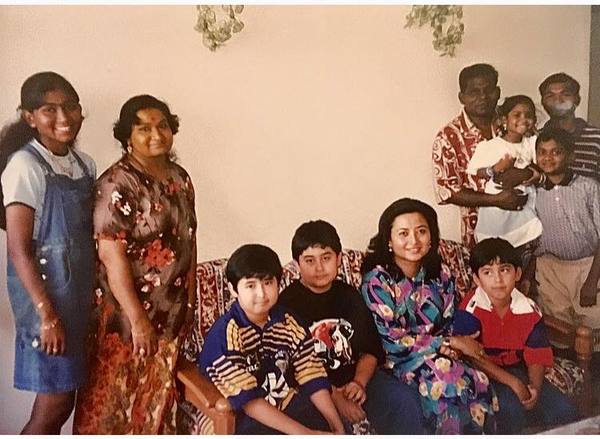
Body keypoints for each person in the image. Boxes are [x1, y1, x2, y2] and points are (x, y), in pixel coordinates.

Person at [73, 95, 197, 434]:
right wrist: (138, 321)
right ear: (127, 136)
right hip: (124, 320)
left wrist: (190, 300)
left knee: (154, 405)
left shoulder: (180, 178)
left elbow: (188, 239)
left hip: (169, 314)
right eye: (143, 128)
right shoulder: (117, 184)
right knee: (112, 406)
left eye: (162, 126)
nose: (155, 134)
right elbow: (111, 257)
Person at [0, 71, 96, 433]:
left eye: (70, 106)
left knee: (65, 400)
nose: (63, 117)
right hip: (46, 301)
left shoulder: (84, 164)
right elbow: (19, 251)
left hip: (79, 299)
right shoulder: (24, 166)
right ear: (29, 117)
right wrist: (47, 315)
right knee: (53, 406)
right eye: (49, 109)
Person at [360, 198, 498, 434]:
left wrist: (451, 347)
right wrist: (447, 344)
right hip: (395, 361)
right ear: (389, 241)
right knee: (443, 383)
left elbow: (448, 322)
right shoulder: (377, 281)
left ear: (431, 236)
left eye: (421, 231)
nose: (413, 241)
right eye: (403, 233)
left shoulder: (440, 274)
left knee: (479, 381)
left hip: (438, 355)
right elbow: (390, 340)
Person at [278, 219, 425, 434]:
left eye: (326, 258)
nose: (319, 268)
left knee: (404, 400)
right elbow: (290, 369)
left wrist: (359, 382)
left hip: (356, 379)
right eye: (309, 260)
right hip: (314, 390)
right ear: (297, 264)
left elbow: (371, 350)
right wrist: (334, 396)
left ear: (339, 258)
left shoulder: (349, 295)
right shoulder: (287, 304)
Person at [199, 244, 345, 435]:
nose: (261, 293)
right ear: (233, 290)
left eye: (268, 283)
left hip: (285, 402)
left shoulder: (288, 322)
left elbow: (312, 375)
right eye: (250, 285)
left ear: (278, 283)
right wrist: (304, 434)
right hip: (239, 414)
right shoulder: (226, 334)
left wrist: (337, 427)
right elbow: (248, 401)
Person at [453, 237, 579, 433]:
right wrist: (515, 384)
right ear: (477, 279)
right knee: (509, 408)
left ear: (517, 273)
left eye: (504, 270)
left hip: (516, 367)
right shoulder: (470, 309)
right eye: (488, 272)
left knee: (564, 410)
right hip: (484, 372)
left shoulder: (528, 309)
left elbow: (536, 354)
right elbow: (473, 357)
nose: (498, 279)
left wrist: (534, 389)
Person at [432, 63, 527, 249]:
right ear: (462, 97)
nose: (483, 97)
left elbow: (539, 155)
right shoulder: (449, 137)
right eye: (474, 92)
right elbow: (447, 191)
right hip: (481, 236)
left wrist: (528, 175)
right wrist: (496, 200)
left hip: (524, 227)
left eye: (488, 90)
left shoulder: (515, 122)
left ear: (498, 92)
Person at [531, 128, 600, 355]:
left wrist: (592, 280)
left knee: (591, 330)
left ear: (570, 156)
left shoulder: (588, 187)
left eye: (556, 152)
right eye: (542, 152)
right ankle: (570, 377)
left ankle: (591, 383)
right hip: (549, 268)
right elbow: (530, 238)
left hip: (586, 267)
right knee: (559, 333)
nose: (548, 158)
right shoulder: (533, 191)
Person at [466, 95, 542, 268]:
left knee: (520, 260)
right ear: (503, 120)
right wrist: (496, 168)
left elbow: (542, 167)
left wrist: (533, 174)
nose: (523, 119)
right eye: (517, 114)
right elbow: (476, 171)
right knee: (497, 259)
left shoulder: (532, 144)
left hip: (524, 210)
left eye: (528, 115)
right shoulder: (490, 146)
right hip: (497, 210)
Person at [539, 72, 600, 181]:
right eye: (550, 96)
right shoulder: (535, 139)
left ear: (577, 99)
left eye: (565, 94)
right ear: (543, 102)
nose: (558, 100)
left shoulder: (597, 138)